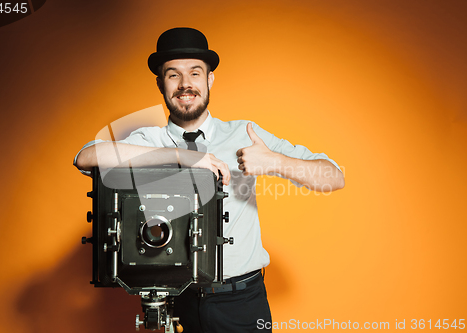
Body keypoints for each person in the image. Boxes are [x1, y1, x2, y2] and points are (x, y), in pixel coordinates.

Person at [75, 27, 344, 333]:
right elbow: (86, 157)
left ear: (209, 79)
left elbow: (333, 177)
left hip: (241, 300)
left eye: (195, 73)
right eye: (173, 74)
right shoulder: (149, 140)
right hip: (175, 300)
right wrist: (180, 157)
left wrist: (274, 161)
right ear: (160, 83)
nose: (185, 84)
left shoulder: (245, 134)